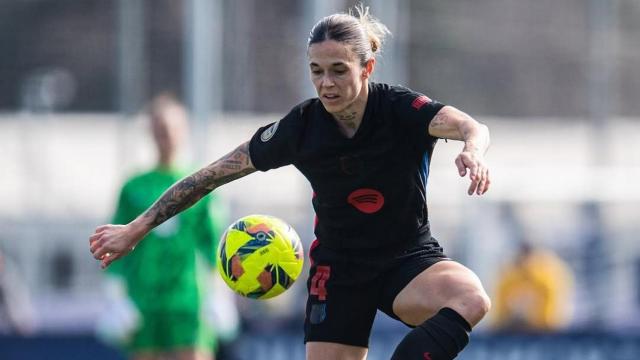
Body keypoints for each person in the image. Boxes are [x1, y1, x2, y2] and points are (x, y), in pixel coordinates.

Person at [90, 6, 491, 360]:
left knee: (470, 297)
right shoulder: (301, 128)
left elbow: (471, 126)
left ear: (366, 68)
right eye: (316, 71)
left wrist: (473, 149)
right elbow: (208, 176)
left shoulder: (401, 109)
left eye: (339, 70)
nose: (326, 84)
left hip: (408, 260)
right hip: (340, 272)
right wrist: (135, 228)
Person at [99, 93, 233, 360]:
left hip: (188, 298)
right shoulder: (134, 187)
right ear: (150, 132)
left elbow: (213, 242)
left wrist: (220, 293)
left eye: (171, 129)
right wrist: (115, 294)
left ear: (183, 131)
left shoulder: (200, 183)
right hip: (144, 299)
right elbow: (115, 241)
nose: (166, 137)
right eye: (160, 130)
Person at [493, 241, 574, 332]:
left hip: (543, 332)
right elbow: (500, 317)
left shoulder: (546, 281)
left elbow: (551, 320)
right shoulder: (508, 281)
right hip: (513, 331)